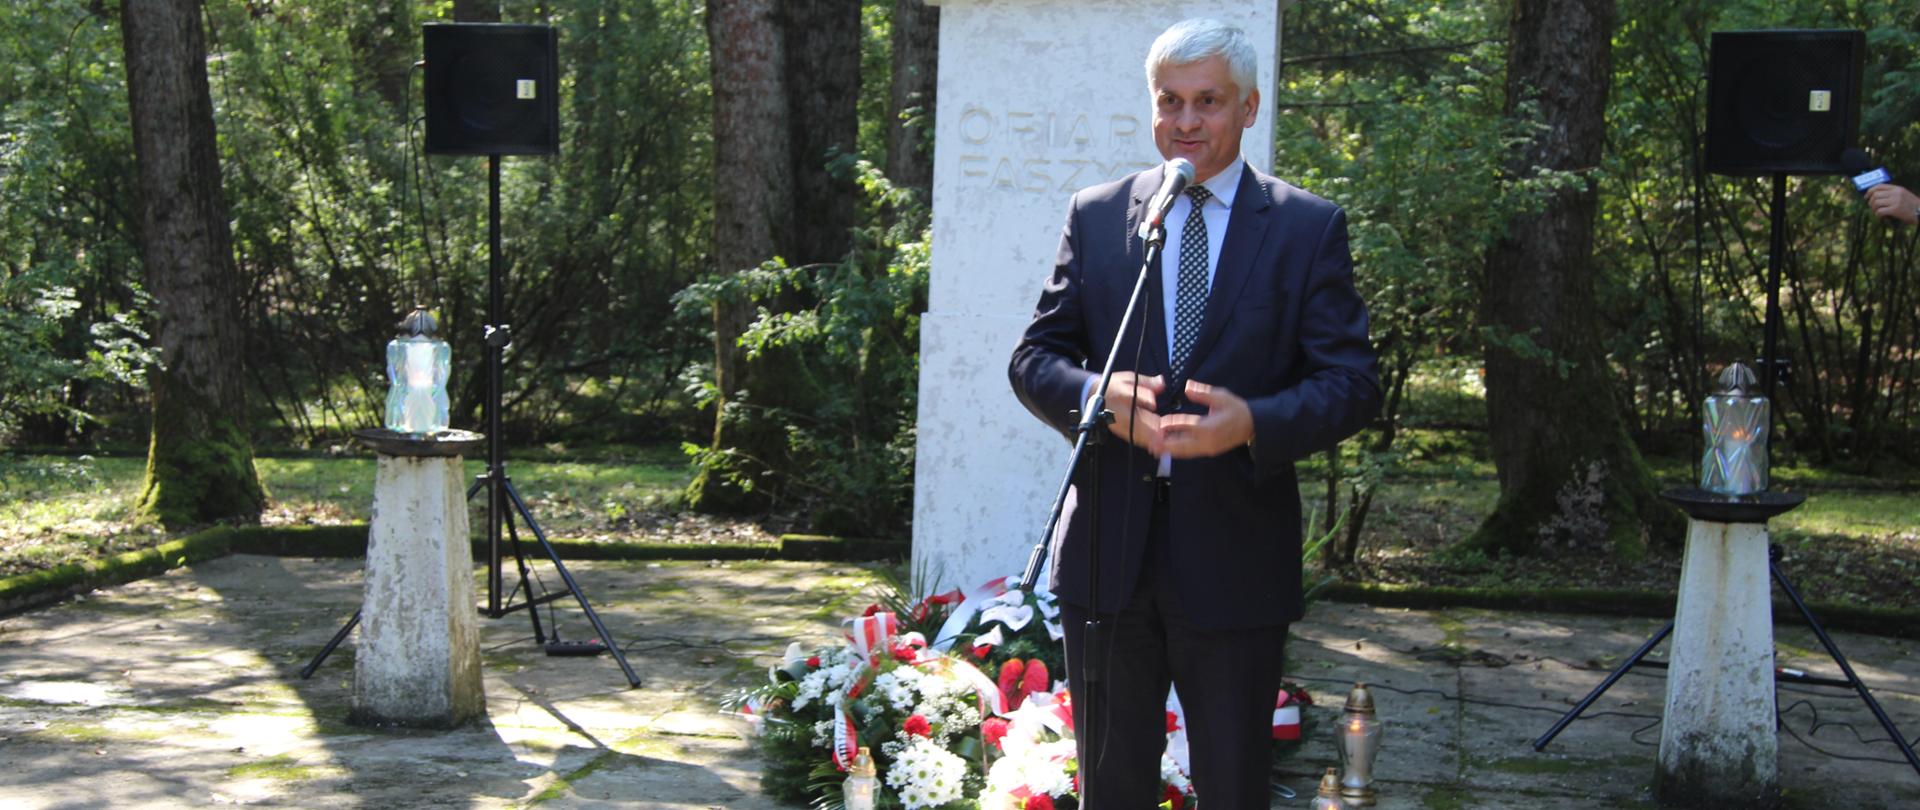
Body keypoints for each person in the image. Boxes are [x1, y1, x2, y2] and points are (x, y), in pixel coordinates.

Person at [1007, 18, 1380, 808]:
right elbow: (1034, 358)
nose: (1184, 122)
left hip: (1236, 555)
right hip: (1109, 556)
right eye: (1169, 101)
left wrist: (1253, 422)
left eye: (1207, 102)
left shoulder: (1307, 230)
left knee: (1234, 787)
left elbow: (1351, 383)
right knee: (1111, 788)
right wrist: (1095, 399)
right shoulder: (1103, 215)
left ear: (1248, 107)